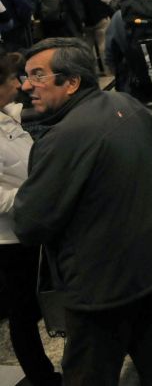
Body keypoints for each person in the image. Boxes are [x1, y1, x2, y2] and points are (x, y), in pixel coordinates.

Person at [14, 37, 152, 385]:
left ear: (72, 82)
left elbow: (29, 222)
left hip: (100, 289)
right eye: (25, 75)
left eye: (37, 75)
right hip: (150, 269)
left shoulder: (60, 139)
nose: (26, 86)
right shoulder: (122, 102)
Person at [0, 52, 62, 386]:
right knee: (22, 312)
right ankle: (40, 377)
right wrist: (31, 197)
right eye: (13, 80)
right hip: (10, 238)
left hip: (32, 226)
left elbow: (24, 113)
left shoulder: (6, 115)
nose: (21, 85)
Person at [71, 0, 116, 65]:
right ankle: (108, 68)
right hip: (99, 16)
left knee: (87, 46)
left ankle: (90, 69)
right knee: (103, 44)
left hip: (82, 19)